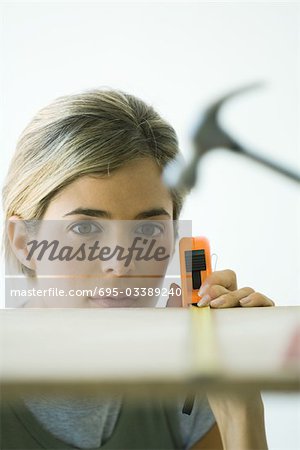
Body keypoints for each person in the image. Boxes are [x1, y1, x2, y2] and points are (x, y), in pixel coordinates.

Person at [1, 89, 274, 449]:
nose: (121, 263)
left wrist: (240, 412)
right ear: (23, 243)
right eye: (85, 228)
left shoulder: (187, 394)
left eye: (147, 230)